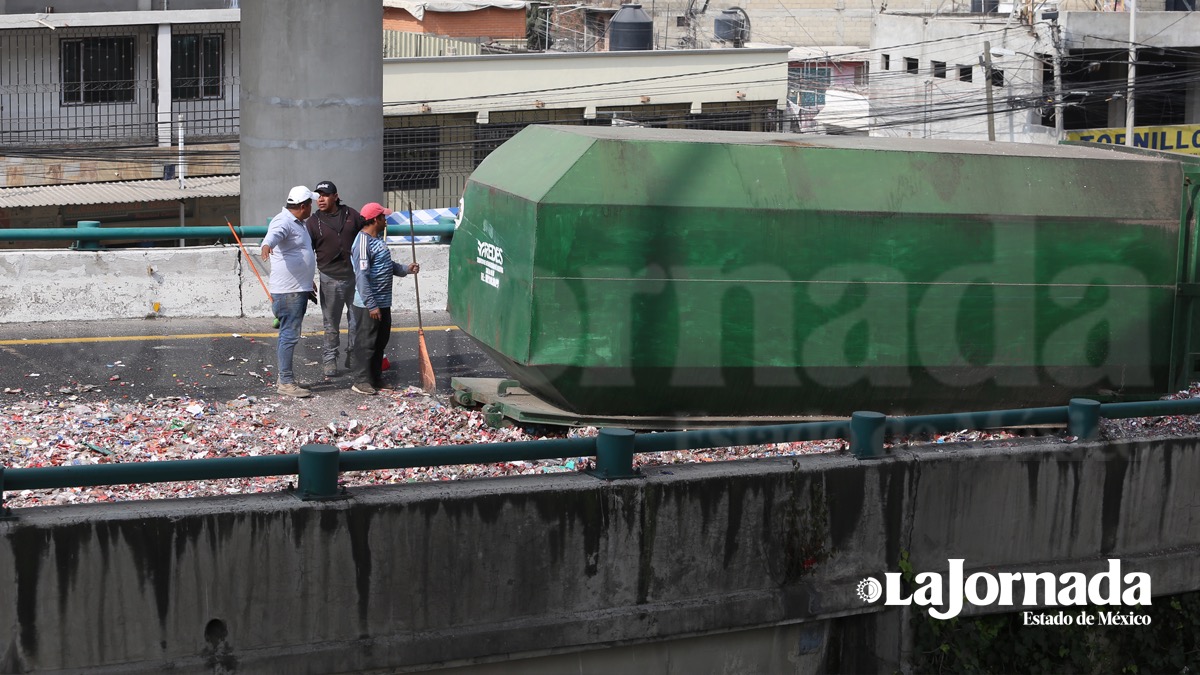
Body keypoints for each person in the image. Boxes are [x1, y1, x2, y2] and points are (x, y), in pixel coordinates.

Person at [349, 202, 419, 395]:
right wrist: (372, 305)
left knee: (380, 341)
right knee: (367, 343)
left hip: (383, 302)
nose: (385, 220)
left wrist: (406, 269)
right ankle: (361, 380)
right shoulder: (362, 243)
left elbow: (388, 265)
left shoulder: (378, 240)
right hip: (368, 305)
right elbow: (362, 277)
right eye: (383, 217)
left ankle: (375, 377)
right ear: (375, 220)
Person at [305, 180, 366, 377]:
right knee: (331, 324)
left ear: (335, 196)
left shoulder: (351, 215)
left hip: (355, 277)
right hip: (329, 278)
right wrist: (307, 278)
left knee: (356, 321)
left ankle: (353, 355)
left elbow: (366, 237)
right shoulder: (313, 222)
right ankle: (330, 359)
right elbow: (306, 252)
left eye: (325, 195)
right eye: (318, 195)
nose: (320, 199)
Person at [261, 185, 317, 398]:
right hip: (288, 292)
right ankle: (285, 382)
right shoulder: (283, 221)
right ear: (303, 206)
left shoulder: (299, 223)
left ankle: (286, 377)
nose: (312, 207)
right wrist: (266, 246)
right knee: (289, 336)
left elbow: (298, 254)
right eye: (310, 204)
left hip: (297, 288)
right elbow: (273, 236)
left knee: (290, 334)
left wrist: (307, 280)